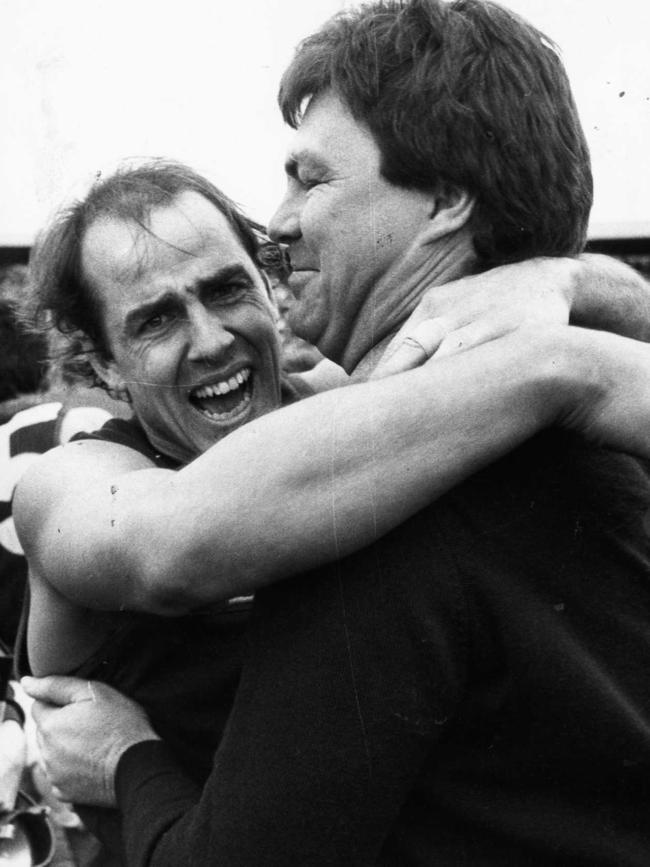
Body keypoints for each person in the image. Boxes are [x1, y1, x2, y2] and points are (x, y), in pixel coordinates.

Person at [18, 2, 650, 863]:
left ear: (448, 202)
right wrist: (569, 362)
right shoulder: (601, 427)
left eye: (311, 180)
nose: (282, 222)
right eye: (156, 320)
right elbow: (168, 540)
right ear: (100, 362)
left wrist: (131, 762)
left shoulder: (358, 495)